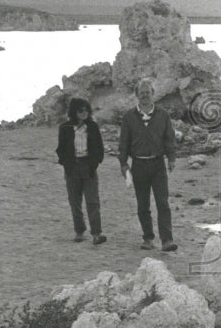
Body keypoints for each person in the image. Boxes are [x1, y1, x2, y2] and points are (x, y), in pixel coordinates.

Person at [119, 78, 178, 252]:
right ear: (137, 95)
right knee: (143, 205)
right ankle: (148, 239)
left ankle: (167, 240)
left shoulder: (162, 115)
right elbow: (124, 143)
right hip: (139, 165)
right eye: (141, 93)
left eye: (148, 92)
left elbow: (170, 138)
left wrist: (172, 158)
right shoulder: (129, 117)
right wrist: (123, 164)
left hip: (158, 165)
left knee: (163, 203)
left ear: (153, 94)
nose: (145, 95)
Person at [56, 97, 107, 246]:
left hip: (88, 166)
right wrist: (66, 164)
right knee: (75, 202)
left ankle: (97, 234)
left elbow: (99, 148)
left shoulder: (93, 126)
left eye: (86, 109)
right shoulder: (65, 128)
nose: (84, 113)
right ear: (74, 111)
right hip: (72, 168)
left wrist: (95, 163)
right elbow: (60, 149)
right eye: (80, 110)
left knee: (93, 201)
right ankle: (79, 231)